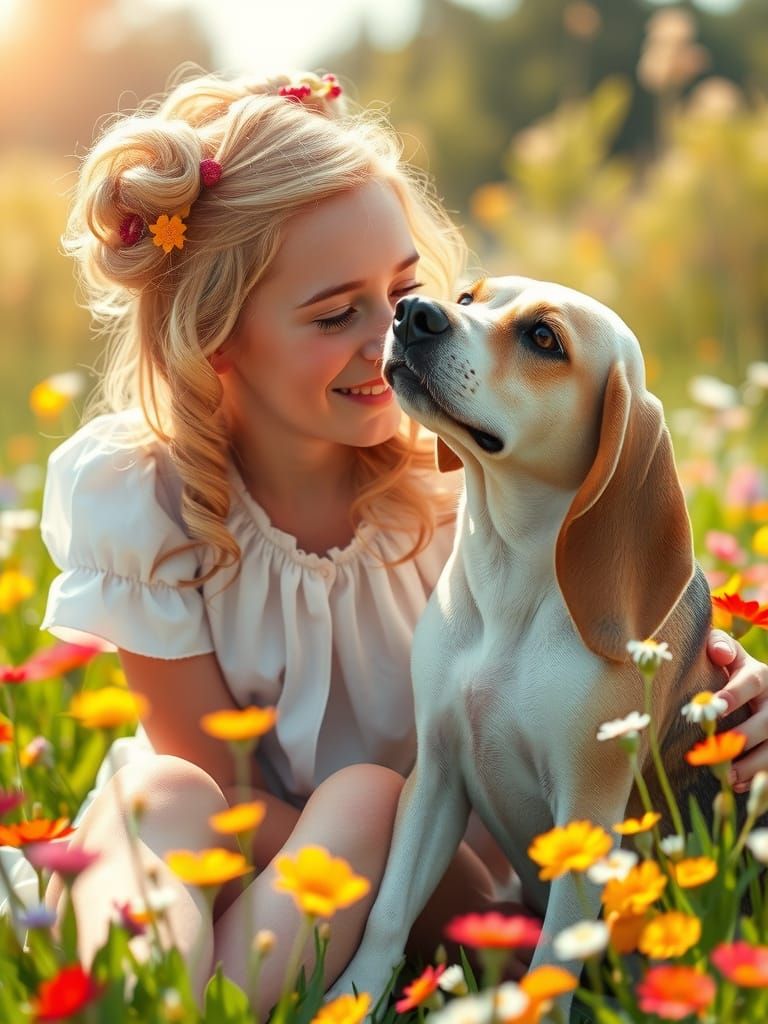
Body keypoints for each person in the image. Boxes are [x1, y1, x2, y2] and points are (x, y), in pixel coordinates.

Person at [38, 69, 768, 1012]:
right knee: (163, 790)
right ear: (214, 340)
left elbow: (617, 628)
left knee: (368, 798)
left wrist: (722, 689)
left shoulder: (457, 486)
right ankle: (144, 995)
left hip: (429, 873)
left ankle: (178, 1003)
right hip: (236, 847)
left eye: (406, 291)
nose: (398, 333)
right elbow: (218, 786)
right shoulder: (148, 500)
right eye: (335, 314)